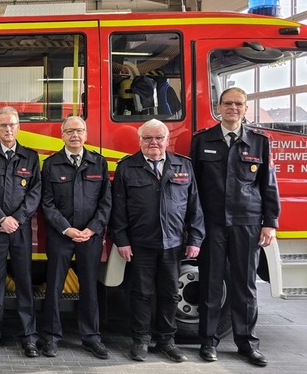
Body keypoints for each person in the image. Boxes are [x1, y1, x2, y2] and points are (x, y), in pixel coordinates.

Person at [191, 87, 280, 367]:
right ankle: (208, 342)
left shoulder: (259, 142)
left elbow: (268, 184)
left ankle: (247, 344)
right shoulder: (202, 140)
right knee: (210, 284)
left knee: (245, 286)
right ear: (219, 107)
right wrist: (193, 224)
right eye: (228, 103)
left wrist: (270, 223)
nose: (232, 108)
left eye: (238, 104)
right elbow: (192, 187)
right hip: (212, 224)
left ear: (246, 108)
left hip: (247, 223)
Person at [110, 119, 204, 363]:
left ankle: (166, 342)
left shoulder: (184, 166)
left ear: (166, 140)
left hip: (173, 243)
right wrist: (121, 240)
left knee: (170, 293)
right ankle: (140, 341)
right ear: (140, 140)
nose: (153, 142)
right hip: (140, 243)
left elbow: (194, 207)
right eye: (148, 138)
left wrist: (195, 239)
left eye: (158, 138)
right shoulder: (127, 167)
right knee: (141, 293)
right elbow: (118, 209)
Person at [38, 116, 112, 360]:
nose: (75, 135)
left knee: (90, 287)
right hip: (61, 235)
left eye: (79, 130)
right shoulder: (51, 164)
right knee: (54, 286)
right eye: (69, 131)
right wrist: (66, 229)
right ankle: (50, 337)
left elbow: (105, 202)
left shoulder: (98, 163)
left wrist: (92, 229)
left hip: (90, 236)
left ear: (86, 134)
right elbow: (46, 203)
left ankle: (91, 338)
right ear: (62, 135)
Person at [0, 106, 41, 358]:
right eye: (2, 125)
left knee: (25, 283)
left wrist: (17, 218)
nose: (8, 129)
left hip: (21, 229)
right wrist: (1, 218)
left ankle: (29, 337)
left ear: (19, 126)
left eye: (12, 124)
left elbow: (35, 192)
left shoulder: (30, 157)